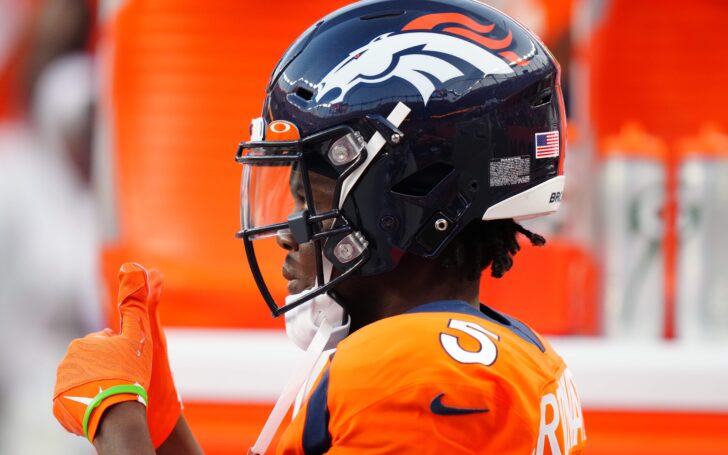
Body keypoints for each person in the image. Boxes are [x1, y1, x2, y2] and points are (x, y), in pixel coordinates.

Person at [52, 1, 587, 454]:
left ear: (410, 199)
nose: (289, 230)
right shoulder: (496, 350)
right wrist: (163, 427)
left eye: (311, 194)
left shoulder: (414, 369)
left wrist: (118, 424)